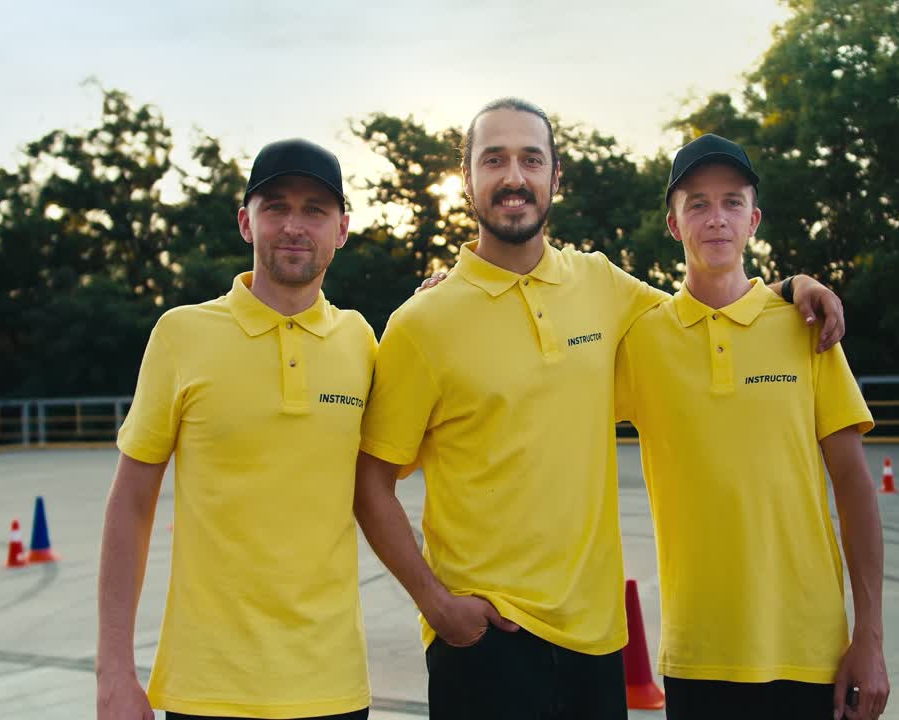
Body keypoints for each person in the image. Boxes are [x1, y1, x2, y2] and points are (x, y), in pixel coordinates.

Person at [353, 98, 845, 719]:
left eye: (532, 159)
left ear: (555, 178)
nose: (514, 176)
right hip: (484, 641)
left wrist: (789, 288)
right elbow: (371, 483)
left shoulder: (603, 285)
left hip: (597, 644)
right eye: (494, 159)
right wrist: (436, 604)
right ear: (467, 179)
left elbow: (704, 306)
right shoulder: (421, 323)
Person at [613, 134, 889, 720]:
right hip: (699, 655)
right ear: (673, 223)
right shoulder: (641, 341)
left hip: (812, 650)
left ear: (754, 219)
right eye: (698, 204)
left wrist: (870, 637)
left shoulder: (804, 326)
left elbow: (855, 486)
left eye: (732, 202)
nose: (717, 219)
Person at [96, 139, 374, 720]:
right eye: (276, 207)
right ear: (247, 222)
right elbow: (131, 505)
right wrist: (115, 671)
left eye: (315, 210)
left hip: (332, 686)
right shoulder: (181, 335)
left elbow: (395, 471)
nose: (294, 225)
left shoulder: (363, 343)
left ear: (342, 228)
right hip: (207, 689)